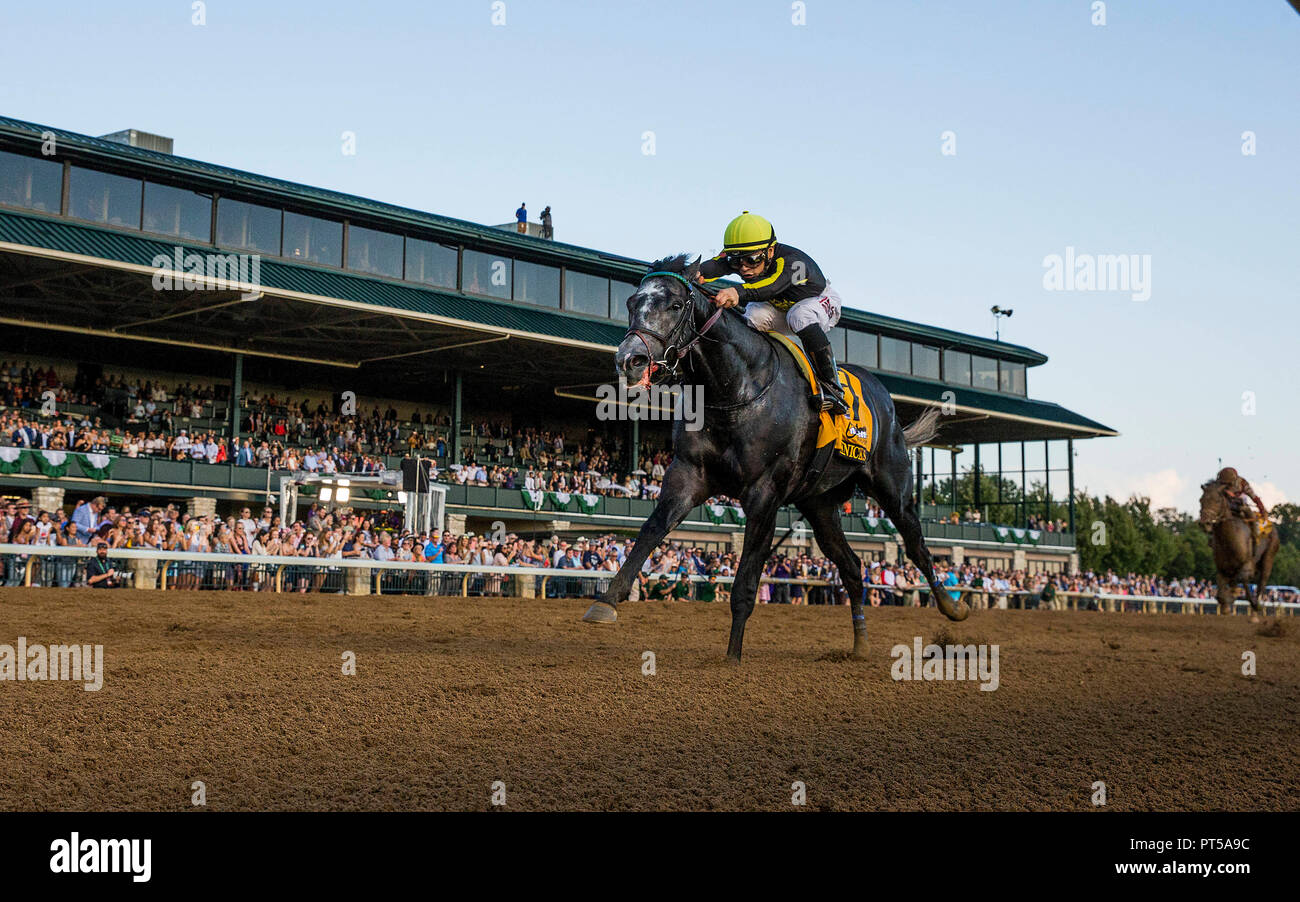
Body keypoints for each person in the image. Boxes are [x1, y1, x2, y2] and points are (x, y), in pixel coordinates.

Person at [694, 211, 849, 415]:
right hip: (780, 306)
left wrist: (737, 292)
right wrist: (697, 273)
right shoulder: (744, 259)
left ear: (770, 251)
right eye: (736, 261)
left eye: (752, 259)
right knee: (751, 319)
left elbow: (771, 286)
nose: (744, 269)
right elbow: (716, 264)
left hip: (817, 301)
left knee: (799, 315)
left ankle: (833, 388)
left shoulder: (794, 263)